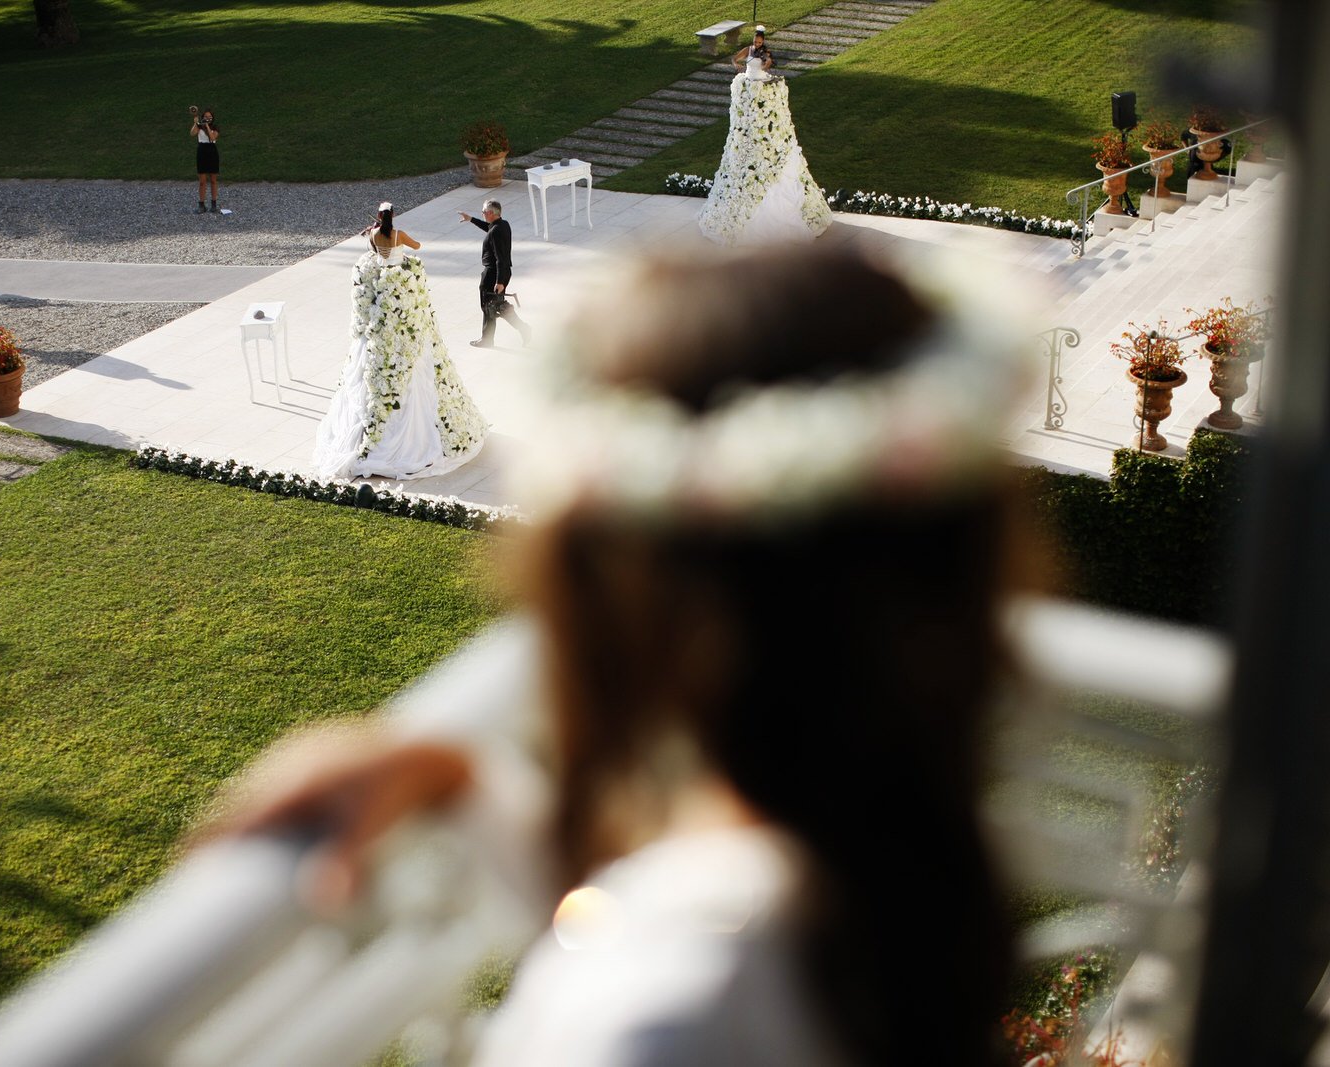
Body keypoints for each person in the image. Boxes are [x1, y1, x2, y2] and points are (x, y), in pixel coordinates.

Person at [208, 242, 1036, 1066]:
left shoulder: (650, 1018)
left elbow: (668, 959)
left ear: (634, 613)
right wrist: (461, 786)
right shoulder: (887, 858)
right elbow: (653, 911)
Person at [312, 202, 487, 480]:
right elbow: (416, 246)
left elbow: (374, 248)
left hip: (381, 292)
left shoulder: (372, 235)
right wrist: (402, 242)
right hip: (398, 290)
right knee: (413, 353)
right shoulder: (398, 235)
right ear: (393, 216)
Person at [698, 41, 831, 246]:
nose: (758, 41)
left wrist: (766, 63)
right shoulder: (749, 51)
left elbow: (769, 63)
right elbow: (735, 58)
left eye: (760, 37)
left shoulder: (764, 53)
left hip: (761, 83)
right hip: (749, 82)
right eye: (756, 37)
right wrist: (738, 66)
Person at [458, 201, 531, 349]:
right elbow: (489, 229)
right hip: (501, 272)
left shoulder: (496, 230)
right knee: (496, 306)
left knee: (488, 306)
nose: (482, 214)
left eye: (483, 212)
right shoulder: (502, 225)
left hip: (493, 273)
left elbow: (500, 258)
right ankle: (521, 329)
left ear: (491, 213)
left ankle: (488, 339)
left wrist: (499, 281)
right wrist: (471, 219)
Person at [191, 108, 221, 214]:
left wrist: (207, 126)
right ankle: (201, 205)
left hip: (212, 151)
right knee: (202, 181)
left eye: (209, 117)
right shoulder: (199, 126)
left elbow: (212, 138)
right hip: (202, 151)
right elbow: (192, 133)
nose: (207, 118)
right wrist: (196, 122)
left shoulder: (215, 127)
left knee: (213, 180)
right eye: (205, 116)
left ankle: (214, 204)